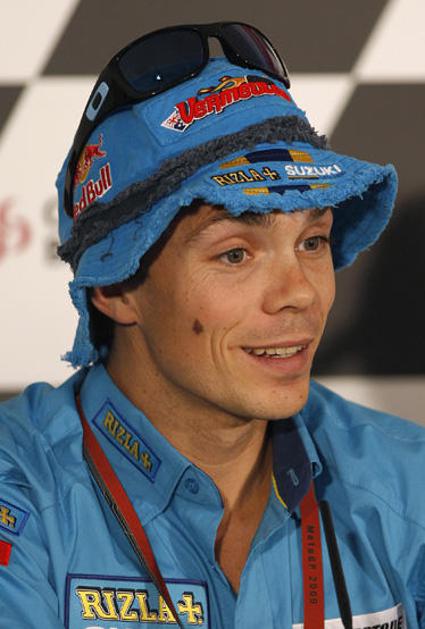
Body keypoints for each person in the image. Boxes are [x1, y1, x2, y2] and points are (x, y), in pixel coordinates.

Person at [0, 21, 423, 629]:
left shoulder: (408, 483)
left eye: (312, 241)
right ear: (115, 286)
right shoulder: (19, 489)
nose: (301, 293)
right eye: (235, 254)